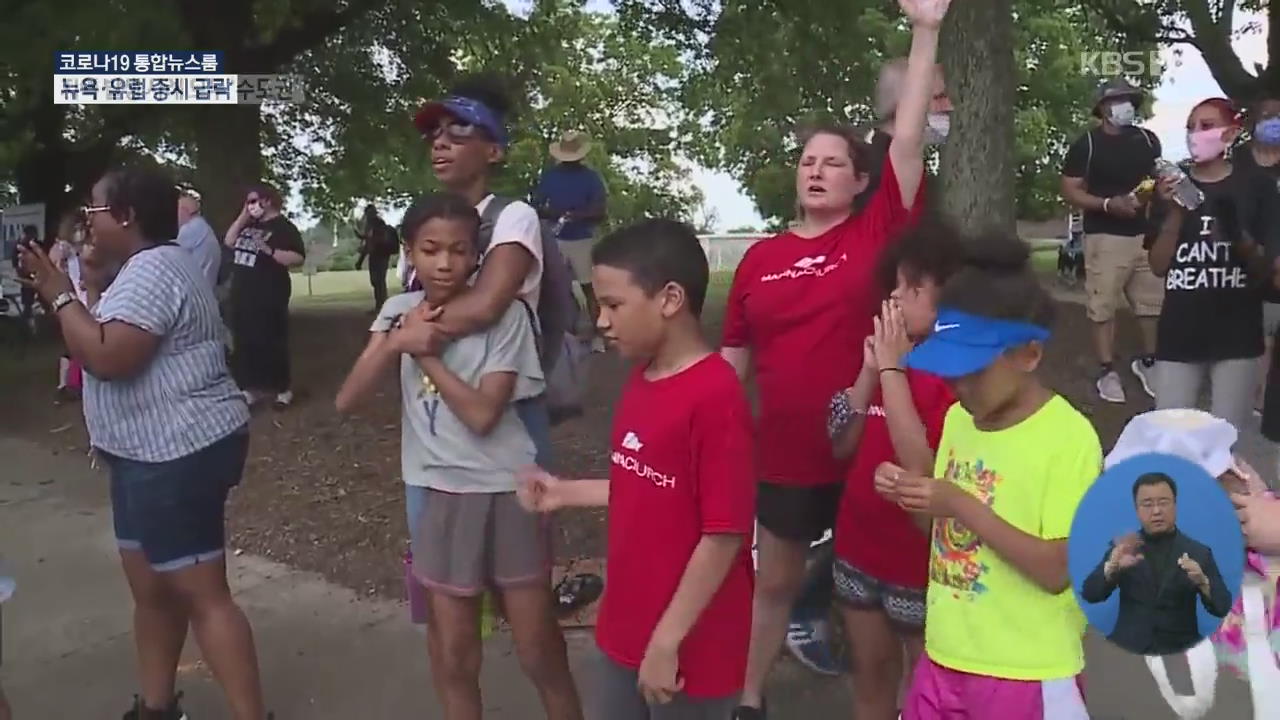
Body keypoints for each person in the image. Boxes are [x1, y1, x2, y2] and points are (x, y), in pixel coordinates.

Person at [720, 1, 944, 714]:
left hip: (868, 448)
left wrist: (926, 30)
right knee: (776, 584)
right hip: (786, 454)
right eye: (807, 162)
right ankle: (749, 697)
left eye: (833, 164)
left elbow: (907, 141)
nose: (817, 173)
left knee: (887, 608)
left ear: (858, 179)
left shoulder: (878, 232)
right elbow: (732, 364)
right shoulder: (760, 258)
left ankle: (918, 704)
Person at [17, 168, 266, 720]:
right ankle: (157, 707)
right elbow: (100, 332)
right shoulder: (142, 269)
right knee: (152, 592)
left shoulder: (156, 269)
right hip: (139, 454)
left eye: (93, 213)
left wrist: (60, 293)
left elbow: (106, 357)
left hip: (178, 453)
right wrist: (82, 286)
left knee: (203, 595)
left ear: (126, 217)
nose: (86, 224)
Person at [335, 192, 582, 720]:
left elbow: (483, 415)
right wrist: (397, 339)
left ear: (477, 255)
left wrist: (427, 352)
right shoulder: (398, 312)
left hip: (508, 490)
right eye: (429, 249)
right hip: (442, 494)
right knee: (454, 652)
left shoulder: (509, 316)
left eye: (459, 250)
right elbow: (348, 399)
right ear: (408, 252)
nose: (444, 262)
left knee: (539, 647)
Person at [518, 219, 755, 720]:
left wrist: (667, 643)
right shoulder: (641, 378)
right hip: (625, 626)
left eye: (613, 304)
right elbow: (645, 484)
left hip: (691, 646)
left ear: (669, 299)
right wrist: (564, 493)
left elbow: (724, 533)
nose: (600, 321)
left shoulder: (716, 396)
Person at [875, 231, 1101, 718]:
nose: (958, 384)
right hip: (944, 657)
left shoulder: (1068, 438)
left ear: (1028, 355)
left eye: (973, 368)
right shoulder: (960, 419)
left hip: (1027, 672)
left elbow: (1058, 570)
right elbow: (940, 533)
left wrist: (955, 501)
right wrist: (914, 495)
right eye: (950, 369)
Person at [828, 222, 960, 720]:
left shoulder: (952, 375)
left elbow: (922, 471)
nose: (896, 297)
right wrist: (869, 372)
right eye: (895, 286)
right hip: (859, 553)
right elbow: (840, 444)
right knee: (870, 676)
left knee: (929, 688)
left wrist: (892, 371)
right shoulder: (884, 358)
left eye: (912, 288)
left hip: (919, 568)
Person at [1148, 97, 1280, 434]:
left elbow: (1266, 269)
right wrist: (1175, 214)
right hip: (1179, 332)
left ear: (1231, 133)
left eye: (1206, 126)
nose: (1196, 134)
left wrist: (1238, 237)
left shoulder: (1258, 186)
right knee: (1171, 438)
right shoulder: (1171, 186)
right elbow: (1159, 265)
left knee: (1225, 443)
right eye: (1190, 127)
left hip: (1236, 333)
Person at [1060, 76, 1163, 404]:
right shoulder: (1086, 145)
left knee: (1152, 304)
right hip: (1104, 237)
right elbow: (1070, 190)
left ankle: (1150, 363)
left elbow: (1155, 178)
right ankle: (1108, 370)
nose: (1126, 106)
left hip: (1146, 235)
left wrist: (1149, 196)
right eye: (1119, 100)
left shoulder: (1148, 140)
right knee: (1103, 306)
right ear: (1103, 107)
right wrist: (1107, 204)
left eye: (1131, 99)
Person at [1081, 472, 1233, 656]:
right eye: (1147, 504)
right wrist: (1111, 568)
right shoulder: (1123, 549)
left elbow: (1222, 608)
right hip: (1128, 650)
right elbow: (1090, 594)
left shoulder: (1199, 552)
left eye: (1163, 502)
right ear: (1137, 510)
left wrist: (1203, 582)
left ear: (1175, 505)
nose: (1156, 511)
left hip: (1181, 652)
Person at [223, 183, 306, 408]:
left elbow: (297, 257)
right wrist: (243, 216)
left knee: (272, 339)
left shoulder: (284, 228)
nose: (251, 206)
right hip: (242, 292)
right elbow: (229, 241)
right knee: (245, 341)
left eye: (254, 201)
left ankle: (282, 389)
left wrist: (269, 251)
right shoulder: (249, 225)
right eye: (248, 202)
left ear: (267, 201)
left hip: (269, 293)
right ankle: (249, 387)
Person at [533, 129, 608, 350]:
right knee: (556, 288)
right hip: (555, 238)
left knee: (589, 290)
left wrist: (577, 215)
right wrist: (552, 213)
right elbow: (537, 206)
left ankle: (598, 336)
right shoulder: (550, 176)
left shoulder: (590, 178)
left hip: (582, 239)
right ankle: (565, 335)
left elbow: (600, 211)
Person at [855, 56, 953, 212]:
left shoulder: (892, 164)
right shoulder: (876, 175)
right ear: (908, 103)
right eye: (938, 97)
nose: (948, 106)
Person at [1236, 94, 1280, 415]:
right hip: (1249, 261)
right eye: (1268, 115)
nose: (1274, 121)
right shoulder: (1236, 162)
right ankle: (1256, 396)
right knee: (1258, 331)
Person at [175, 186, 223, 293]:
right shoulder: (202, 227)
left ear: (185, 211)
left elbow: (169, 256)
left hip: (195, 292)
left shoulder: (192, 229)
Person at [355, 203, 397, 312]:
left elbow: (369, 242)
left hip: (378, 255)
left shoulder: (374, 225)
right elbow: (368, 241)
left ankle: (381, 306)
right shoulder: (375, 224)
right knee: (378, 281)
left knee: (378, 281)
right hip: (380, 255)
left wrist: (360, 261)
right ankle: (381, 305)